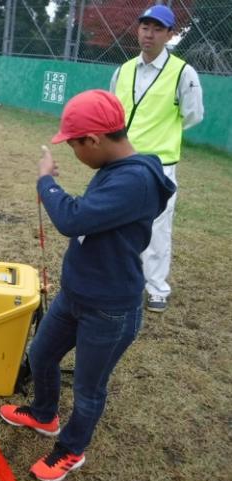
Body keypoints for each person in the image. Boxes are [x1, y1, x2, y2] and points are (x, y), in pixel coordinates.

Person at [0, 90, 176, 481]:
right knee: (42, 354)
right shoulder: (114, 171)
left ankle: (71, 449)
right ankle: (44, 415)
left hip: (110, 308)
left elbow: (72, 219)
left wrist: (46, 181)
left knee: (88, 388)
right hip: (76, 295)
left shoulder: (136, 181)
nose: (75, 153)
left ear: (94, 140)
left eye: (75, 144)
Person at [110, 4, 204, 312]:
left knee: (157, 228)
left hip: (159, 165)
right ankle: (121, 280)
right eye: (145, 27)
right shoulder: (123, 70)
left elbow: (192, 115)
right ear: (138, 29)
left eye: (157, 29)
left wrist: (162, 135)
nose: (149, 34)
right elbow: (113, 112)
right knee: (116, 222)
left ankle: (157, 288)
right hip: (122, 162)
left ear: (169, 34)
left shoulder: (183, 72)